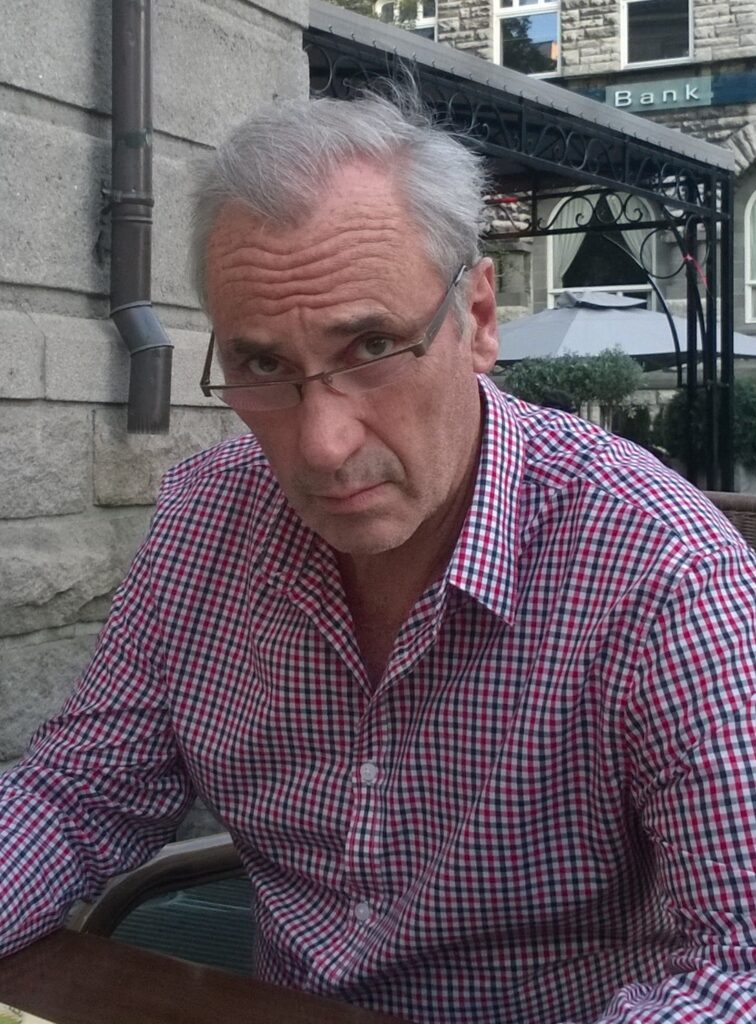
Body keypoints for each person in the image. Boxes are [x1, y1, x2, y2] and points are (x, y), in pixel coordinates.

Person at [1, 92, 756, 1024]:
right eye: (265, 366)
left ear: (479, 317)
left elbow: (737, 963)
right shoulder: (206, 523)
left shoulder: (662, 569)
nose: (321, 447)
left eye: (372, 346)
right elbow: (76, 798)